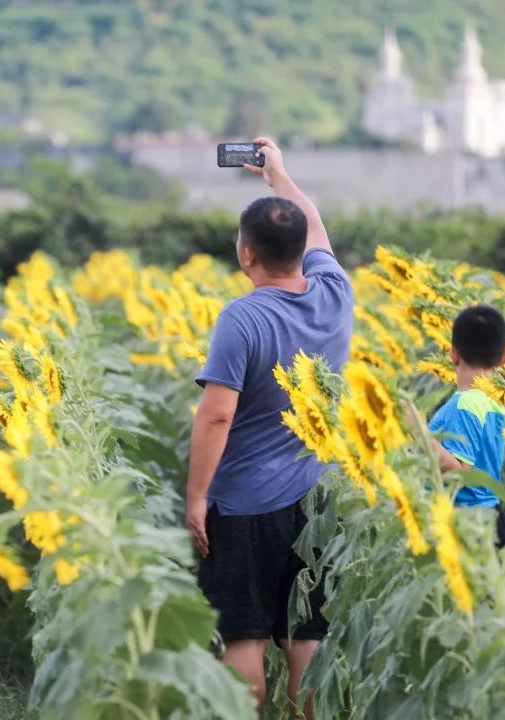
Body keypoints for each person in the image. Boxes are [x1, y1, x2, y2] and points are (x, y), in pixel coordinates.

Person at [185, 137, 354, 718]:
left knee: (245, 636)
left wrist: (197, 497)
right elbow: (320, 232)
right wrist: (280, 174)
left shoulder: (243, 316)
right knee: (307, 637)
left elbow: (216, 413)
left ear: (246, 253)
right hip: (319, 497)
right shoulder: (335, 294)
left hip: (243, 504)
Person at [427, 304, 505, 547]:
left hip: (468, 524)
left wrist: (420, 435)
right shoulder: (493, 403)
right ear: (504, 357)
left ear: (453, 353)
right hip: (492, 519)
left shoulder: (463, 407)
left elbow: (461, 472)